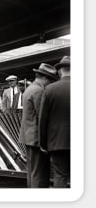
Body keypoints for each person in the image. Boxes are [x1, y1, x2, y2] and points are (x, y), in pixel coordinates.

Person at [19, 63, 58, 188]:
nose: (51, 84)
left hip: (28, 136)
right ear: (46, 78)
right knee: (39, 173)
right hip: (37, 138)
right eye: (51, 80)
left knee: (32, 171)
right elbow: (42, 117)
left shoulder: (29, 89)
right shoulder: (39, 91)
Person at [39, 56, 71, 188]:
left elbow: (43, 119)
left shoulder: (50, 89)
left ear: (59, 72)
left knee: (60, 175)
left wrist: (43, 143)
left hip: (57, 142)